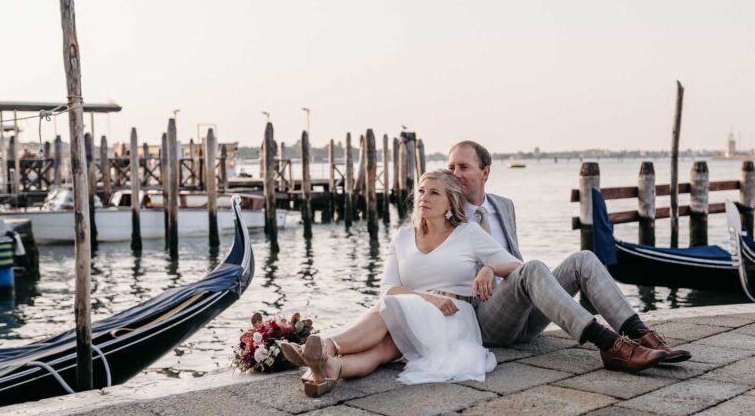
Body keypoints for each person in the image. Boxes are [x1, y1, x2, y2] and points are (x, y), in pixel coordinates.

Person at [447, 140, 690, 370]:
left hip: (524, 317)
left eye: (463, 167)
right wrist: (489, 267)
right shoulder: (447, 214)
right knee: (532, 268)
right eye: (451, 167)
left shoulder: (504, 205)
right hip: (487, 320)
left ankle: (640, 334)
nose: (455, 173)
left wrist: (495, 266)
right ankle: (610, 345)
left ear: (485, 172)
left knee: (583, 259)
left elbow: (511, 259)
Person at [281, 170, 522, 397]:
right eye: (421, 191)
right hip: (411, 308)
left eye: (434, 193)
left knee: (389, 307)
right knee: (383, 349)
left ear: (450, 202)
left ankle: (327, 346)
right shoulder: (403, 237)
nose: (423, 198)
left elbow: (518, 267)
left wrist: (490, 267)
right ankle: (334, 368)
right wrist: (426, 298)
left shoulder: (468, 233)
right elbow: (387, 287)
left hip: (450, 317)